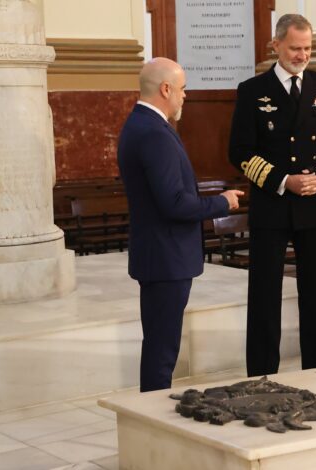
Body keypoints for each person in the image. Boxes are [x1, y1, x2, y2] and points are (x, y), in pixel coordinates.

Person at [229, 14, 316, 377]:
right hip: (273, 205)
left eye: (308, 49)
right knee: (265, 295)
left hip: (314, 204)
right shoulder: (253, 90)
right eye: (295, 48)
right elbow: (240, 151)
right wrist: (284, 181)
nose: (302, 55)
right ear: (276, 45)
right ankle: (262, 373)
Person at [117, 57, 243, 392]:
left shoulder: (141, 125)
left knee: (161, 344)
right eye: (183, 89)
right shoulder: (153, 133)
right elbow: (174, 204)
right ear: (166, 89)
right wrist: (222, 202)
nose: (185, 96)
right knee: (162, 349)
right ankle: (152, 420)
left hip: (160, 254)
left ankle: (153, 413)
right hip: (165, 257)